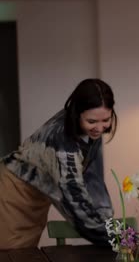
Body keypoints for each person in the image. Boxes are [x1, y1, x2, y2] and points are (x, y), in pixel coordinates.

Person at [0, 78, 117, 249]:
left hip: (36, 196)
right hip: (13, 195)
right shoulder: (61, 143)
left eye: (105, 120)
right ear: (77, 113)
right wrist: (116, 238)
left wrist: (107, 222)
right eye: (92, 121)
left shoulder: (91, 133)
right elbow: (74, 201)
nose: (99, 128)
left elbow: (92, 179)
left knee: (26, 252)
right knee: (11, 253)